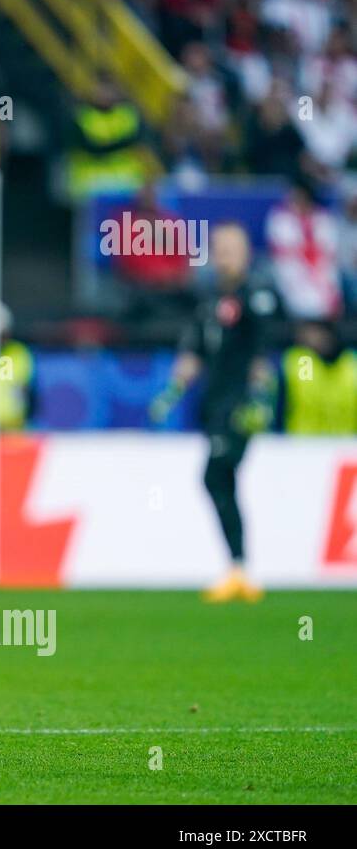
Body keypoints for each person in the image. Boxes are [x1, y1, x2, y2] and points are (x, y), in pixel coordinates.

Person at [149, 223, 278, 603]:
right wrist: (171, 392)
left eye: (231, 248)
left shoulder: (257, 296)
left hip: (240, 406)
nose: (223, 255)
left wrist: (260, 400)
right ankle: (239, 569)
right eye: (218, 248)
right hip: (214, 404)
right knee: (220, 481)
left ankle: (239, 567)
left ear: (246, 253)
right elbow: (194, 353)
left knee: (215, 474)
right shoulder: (208, 301)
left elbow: (262, 352)